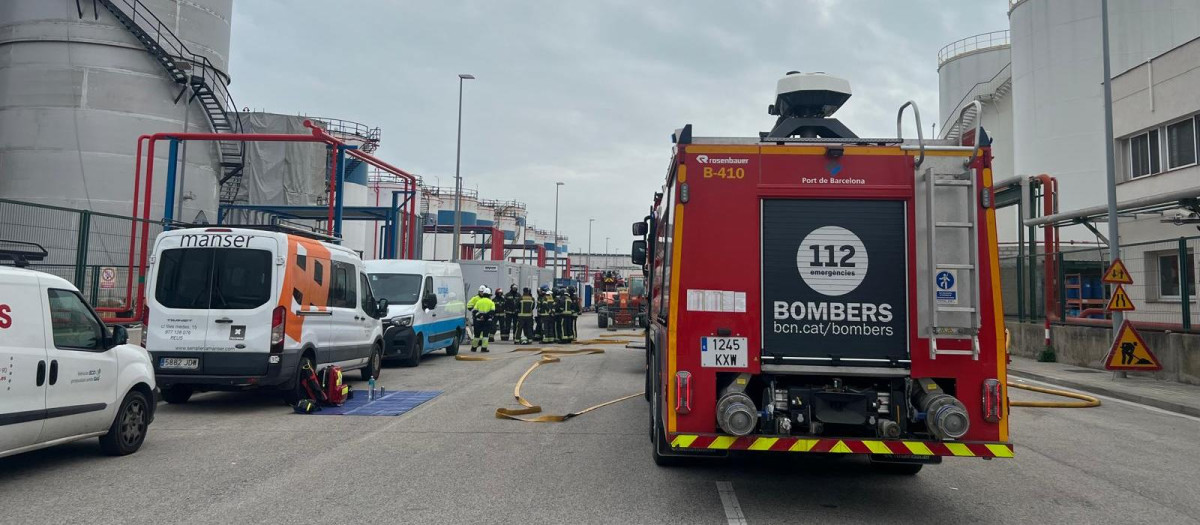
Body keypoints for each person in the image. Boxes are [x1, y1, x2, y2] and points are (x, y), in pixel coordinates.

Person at [470, 288, 497, 352]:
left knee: (476, 336)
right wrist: (485, 316)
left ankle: (473, 348)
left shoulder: (479, 301)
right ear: (489, 295)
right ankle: (484, 348)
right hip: (487, 321)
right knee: (485, 335)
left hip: (478, 321)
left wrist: (480, 316)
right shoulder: (491, 302)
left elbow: (474, 311)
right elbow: (492, 312)